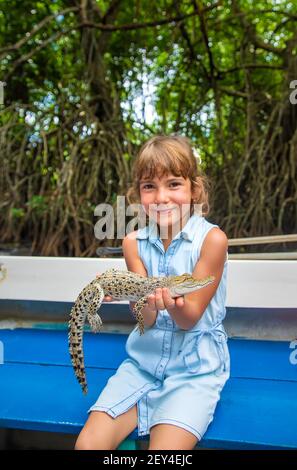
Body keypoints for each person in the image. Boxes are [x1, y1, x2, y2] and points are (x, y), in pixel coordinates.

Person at [75, 135, 229, 450]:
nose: (161, 197)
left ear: (193, 190)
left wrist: (170, 303)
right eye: (149, 186)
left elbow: (188, 320)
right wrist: (134, 297)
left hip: (193, 371)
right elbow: (144, 317)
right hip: (141, 365)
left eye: (174, 184)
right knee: (87, 446)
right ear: (138, 194)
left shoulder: (213, 240)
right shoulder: (133, 243)